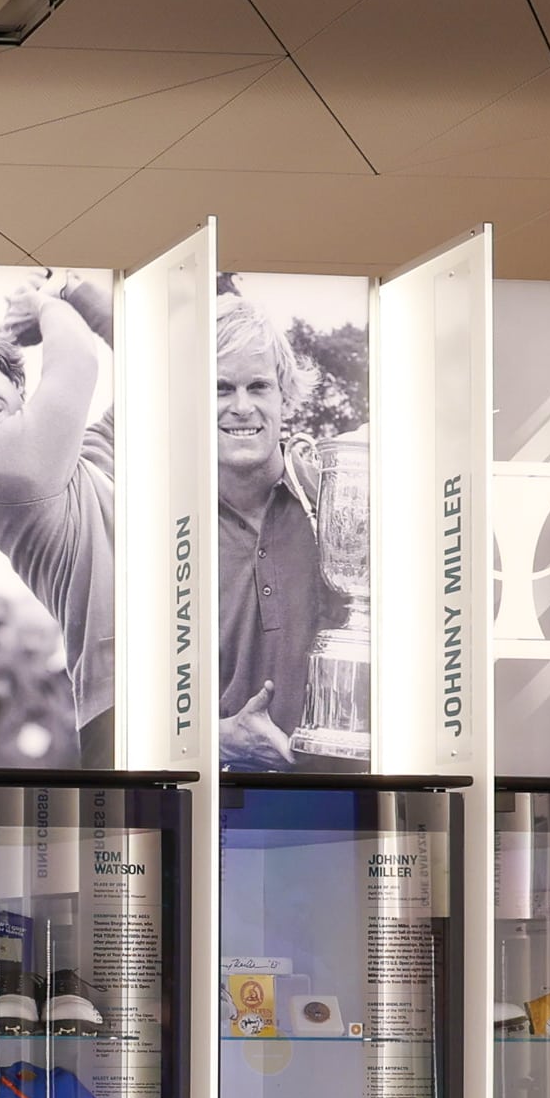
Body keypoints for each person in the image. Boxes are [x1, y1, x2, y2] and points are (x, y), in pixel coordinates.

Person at [0, 276, 114, 756]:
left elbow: (161, 374)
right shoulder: (7, 470)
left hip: (140, 694)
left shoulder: (85, 463)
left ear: (18, 384)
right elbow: (78, 356)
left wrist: (67, 297)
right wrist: (44, 302)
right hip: (122, 700)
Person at [211, 294, 351, 774]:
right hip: (221, 806)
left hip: (348, 801)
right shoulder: (162, 532)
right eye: (221, 388)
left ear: (285, 396)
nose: (242, 407)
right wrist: (222, 740)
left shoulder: (338, 502)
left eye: (259, 386)